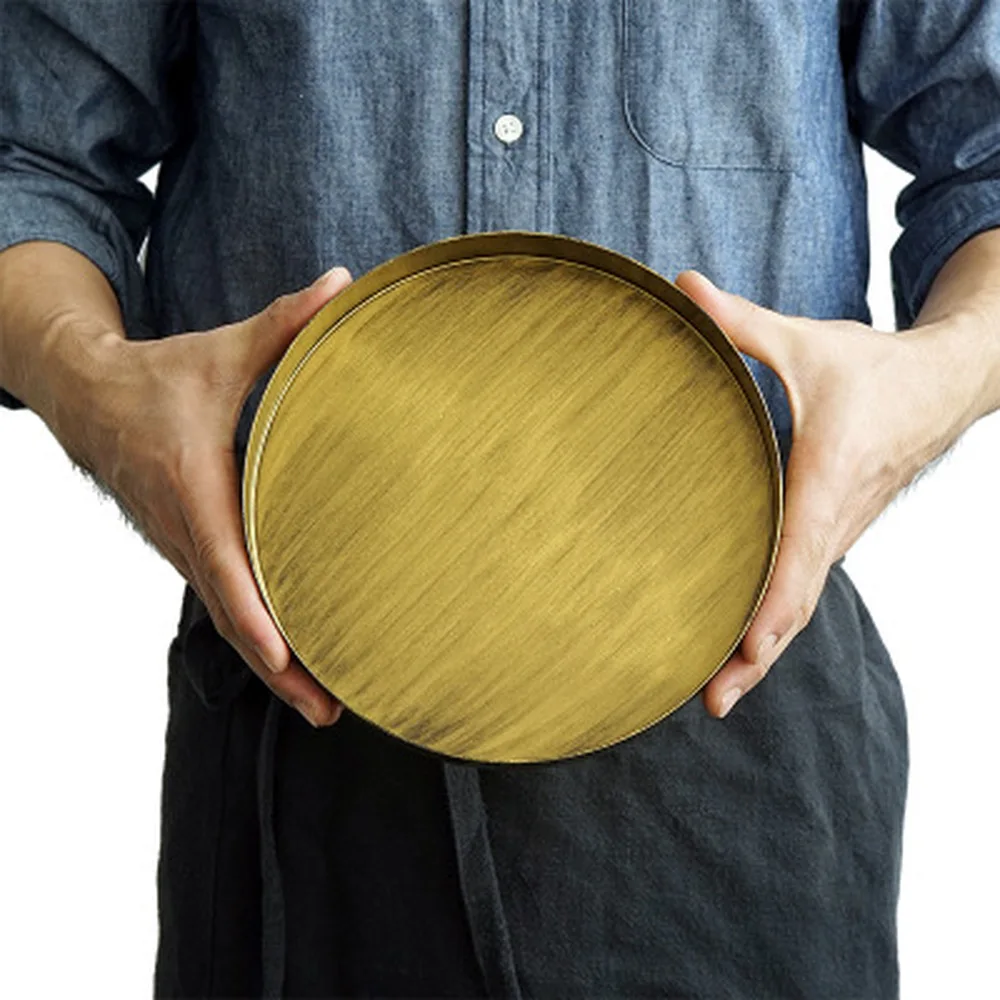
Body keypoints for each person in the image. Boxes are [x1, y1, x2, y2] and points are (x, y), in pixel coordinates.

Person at [1, 2, 998, 997]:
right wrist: (91, 384)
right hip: (296, 725)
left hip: (743, 727)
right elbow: (31, 165)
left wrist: (926, 387)